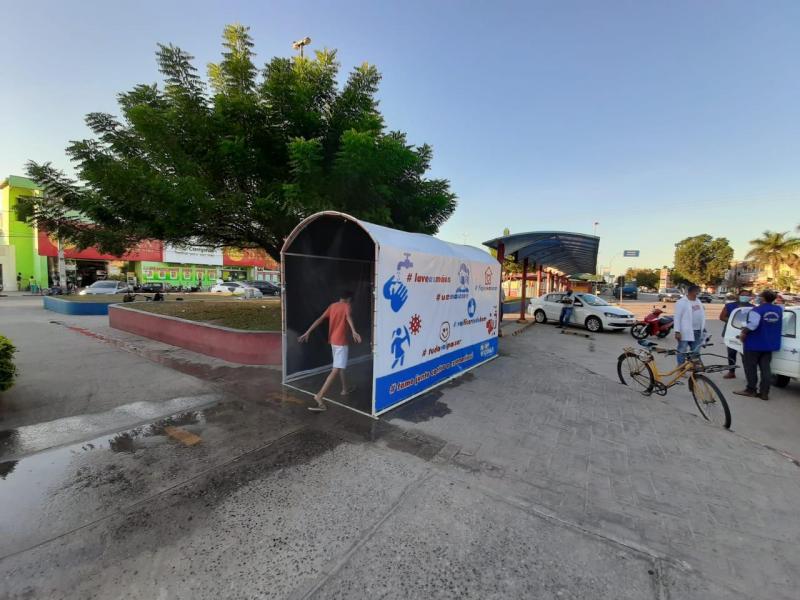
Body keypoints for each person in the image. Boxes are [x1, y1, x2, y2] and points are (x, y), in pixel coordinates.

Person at [297, 291, 362, 412]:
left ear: (340, 297)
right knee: (336, 369)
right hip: (341, 343)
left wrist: (308, 332)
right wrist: (354, 331)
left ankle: (344, 389)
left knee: (340, 365)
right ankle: (319, 396)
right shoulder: (347, 306)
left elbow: (320, 319)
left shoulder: (332, 306)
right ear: (349, 299)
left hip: (333, 341)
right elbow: (348, 317)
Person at [733, 290, 783, 401]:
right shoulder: (779, 309)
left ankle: (751, 390)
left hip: (754, 344)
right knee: (766, 369)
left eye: (759, 296)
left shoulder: (757, 310)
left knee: (750, 367)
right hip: (769, 344)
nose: (758, 297)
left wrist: (743, 332)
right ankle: (764, 393)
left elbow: (753, 325)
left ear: (763, 298)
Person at [719, 290, 753, 379]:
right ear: (738, 296)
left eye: (747, 295)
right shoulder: (730, 305)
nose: (745, 297)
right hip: (732, 332)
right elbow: (722, 317)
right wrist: (734, 322)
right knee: (731, 353)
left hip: (746, 334)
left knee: (746, 356)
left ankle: (749, 375)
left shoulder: (753, 307)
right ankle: (731, 372)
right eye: (743, 295)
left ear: (750, 297)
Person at [673, 285, 706, 364]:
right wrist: (677, 331)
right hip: (685, 331)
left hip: (697, 331)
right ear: (692, 291)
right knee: (682, 350)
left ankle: (694, 367)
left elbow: (701, 315)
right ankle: (681, 367)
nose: (699, 293)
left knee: (696, 351)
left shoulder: (698, 301)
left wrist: (703, 328)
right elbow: (677, 317)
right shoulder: (681, 302)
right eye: (697, 291)